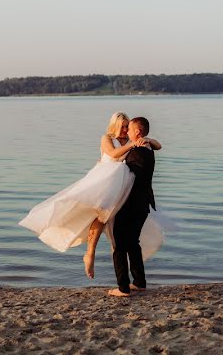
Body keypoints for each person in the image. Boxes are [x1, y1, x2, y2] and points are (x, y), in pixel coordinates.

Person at [18, 112, 167, 279]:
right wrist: (133, 144)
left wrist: (147, 140)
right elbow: (113, 154)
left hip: (122, 185)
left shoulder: (133, 140)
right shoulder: (108, 138)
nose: (125, 129)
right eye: (123, 126)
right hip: (105, 181)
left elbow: (157, 145)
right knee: (101, 217)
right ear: (115, 125)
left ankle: (127, 277)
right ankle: (90, 254)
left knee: (116, 231)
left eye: (127, 126)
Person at [108, 116, 156, 297]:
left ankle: (122, 288)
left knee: (119, 245)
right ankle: (139, 282)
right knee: (133, 243)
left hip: (130, 205)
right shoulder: (149, 149)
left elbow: (125, 177)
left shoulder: (137, 153)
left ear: (137, 132)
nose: (127, 132)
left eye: (130, 129)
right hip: (143, 204)